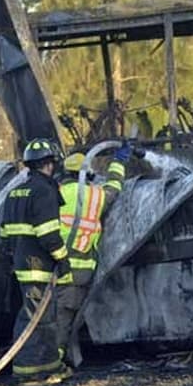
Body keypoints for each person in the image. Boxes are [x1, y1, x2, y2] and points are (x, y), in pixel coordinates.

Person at [0, 138, 73, 386]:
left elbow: (4, 233)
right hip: (38, 265)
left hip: (22, 263)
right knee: (35, 317)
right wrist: (63, 259)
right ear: (50, 164)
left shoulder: (15, 192)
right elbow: (48, 233)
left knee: (40, 316)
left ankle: (48, 367)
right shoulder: (45, 191)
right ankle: (28, 371)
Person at [56, 142, 131, 361]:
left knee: (56, 314)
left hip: (55, 265)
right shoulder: (95, 196)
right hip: (82, 268)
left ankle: (55, 358)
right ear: (88, 174)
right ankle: (56, 359)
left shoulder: (55, 193)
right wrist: (119, 162)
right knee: (67, 315)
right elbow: (114, 187)